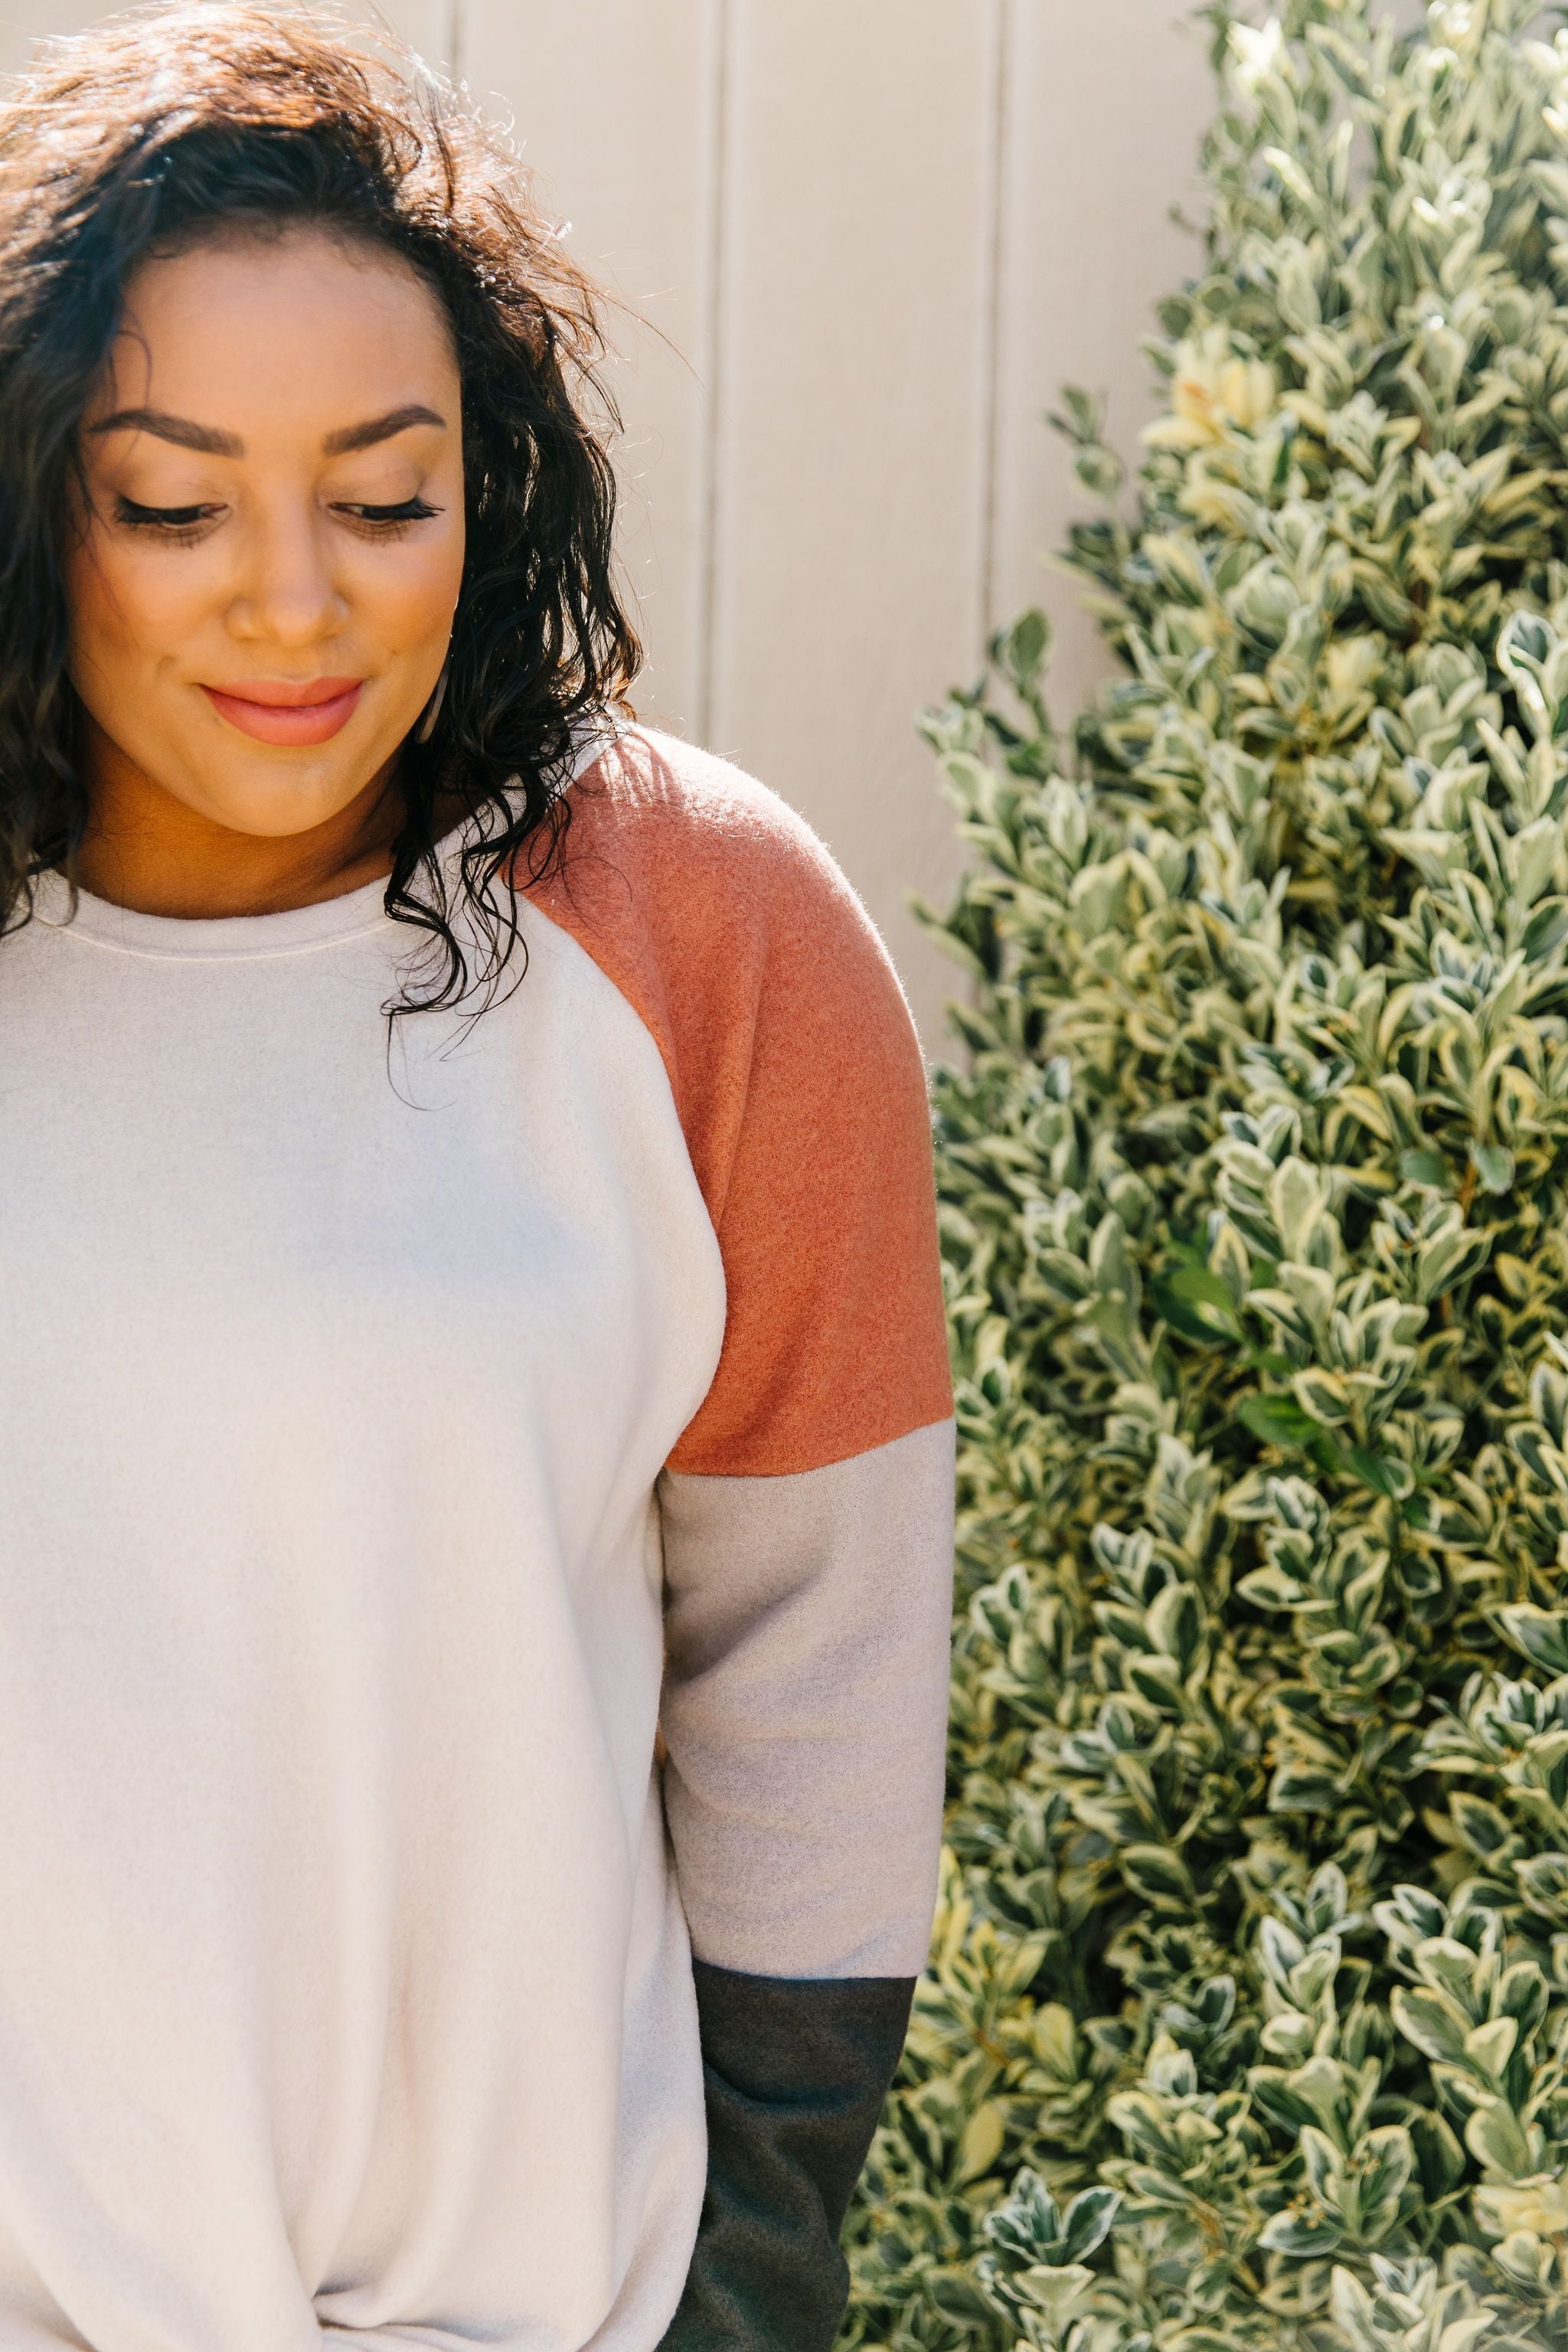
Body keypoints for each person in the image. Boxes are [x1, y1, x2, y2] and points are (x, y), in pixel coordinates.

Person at [0, 3, 957, 2348]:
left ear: (489, 487)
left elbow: (818, 1665)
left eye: (382, 492)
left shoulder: (701, 927)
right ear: (39, 499)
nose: (294, 600)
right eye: (173, 497)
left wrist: (755, 2282)